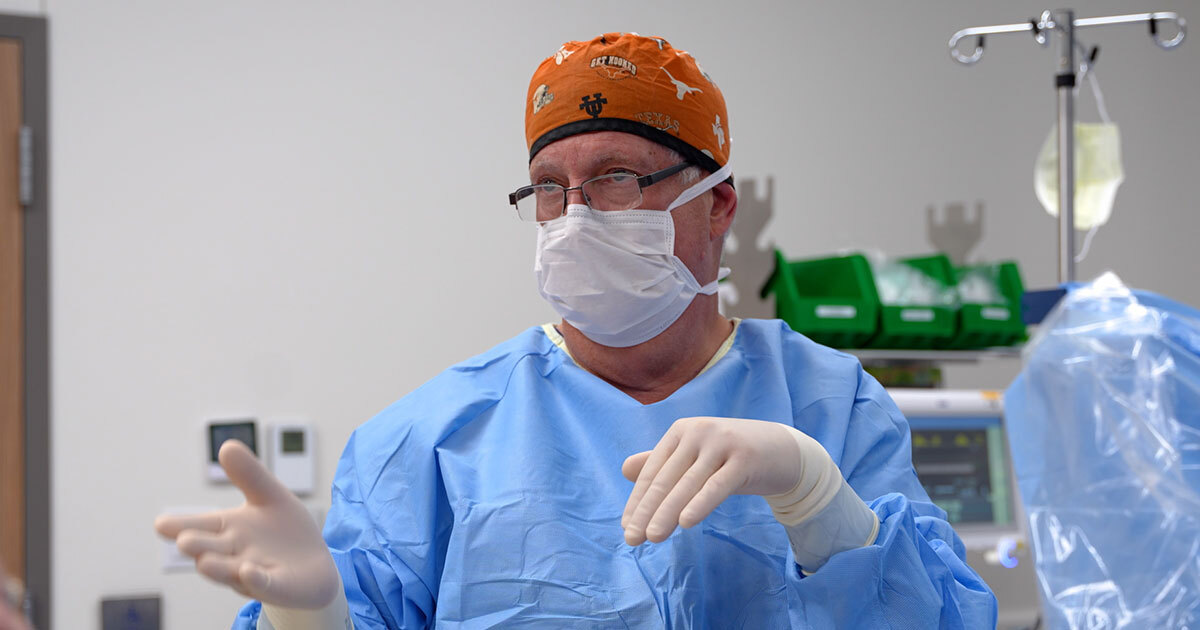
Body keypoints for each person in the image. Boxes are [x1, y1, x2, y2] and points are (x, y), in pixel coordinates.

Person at [156, 33, 998, 628]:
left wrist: (816, 497)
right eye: (549, 188)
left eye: (618, 179)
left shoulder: (831, 406)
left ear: (717, 206)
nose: (575, 217)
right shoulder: (433, 439)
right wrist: (310, 619)